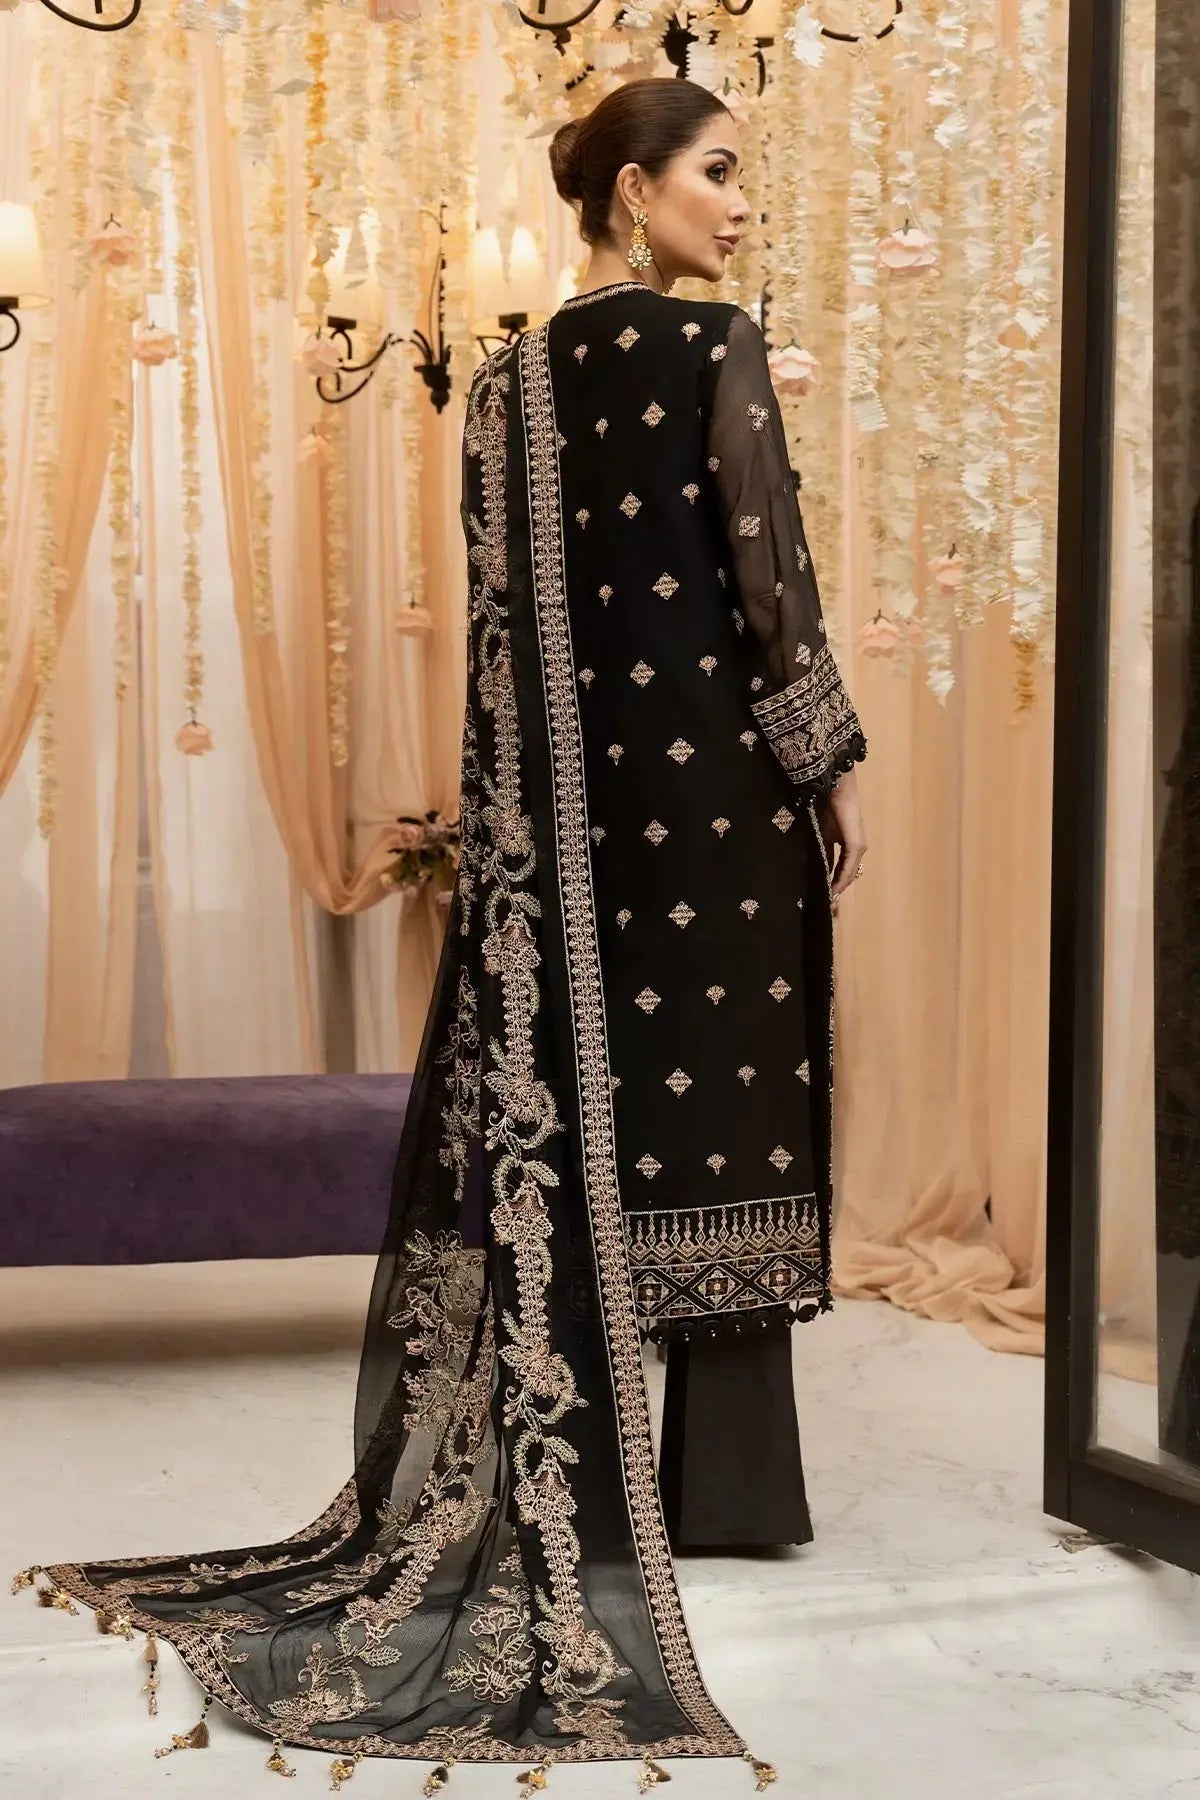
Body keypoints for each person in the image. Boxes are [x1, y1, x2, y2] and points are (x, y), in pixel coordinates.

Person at [15, 77, 866, 1790]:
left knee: (604, 1119)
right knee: (726, 1107)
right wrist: (827, 759)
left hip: (575, 829)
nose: (740, 206)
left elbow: (498, 639)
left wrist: (513, 848)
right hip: (716, 805)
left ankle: (617, 1467)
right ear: (632, 194)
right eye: (718, 173)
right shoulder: (714, 348)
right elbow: (765, 574)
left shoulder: (506, 387)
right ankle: (724, 1485)